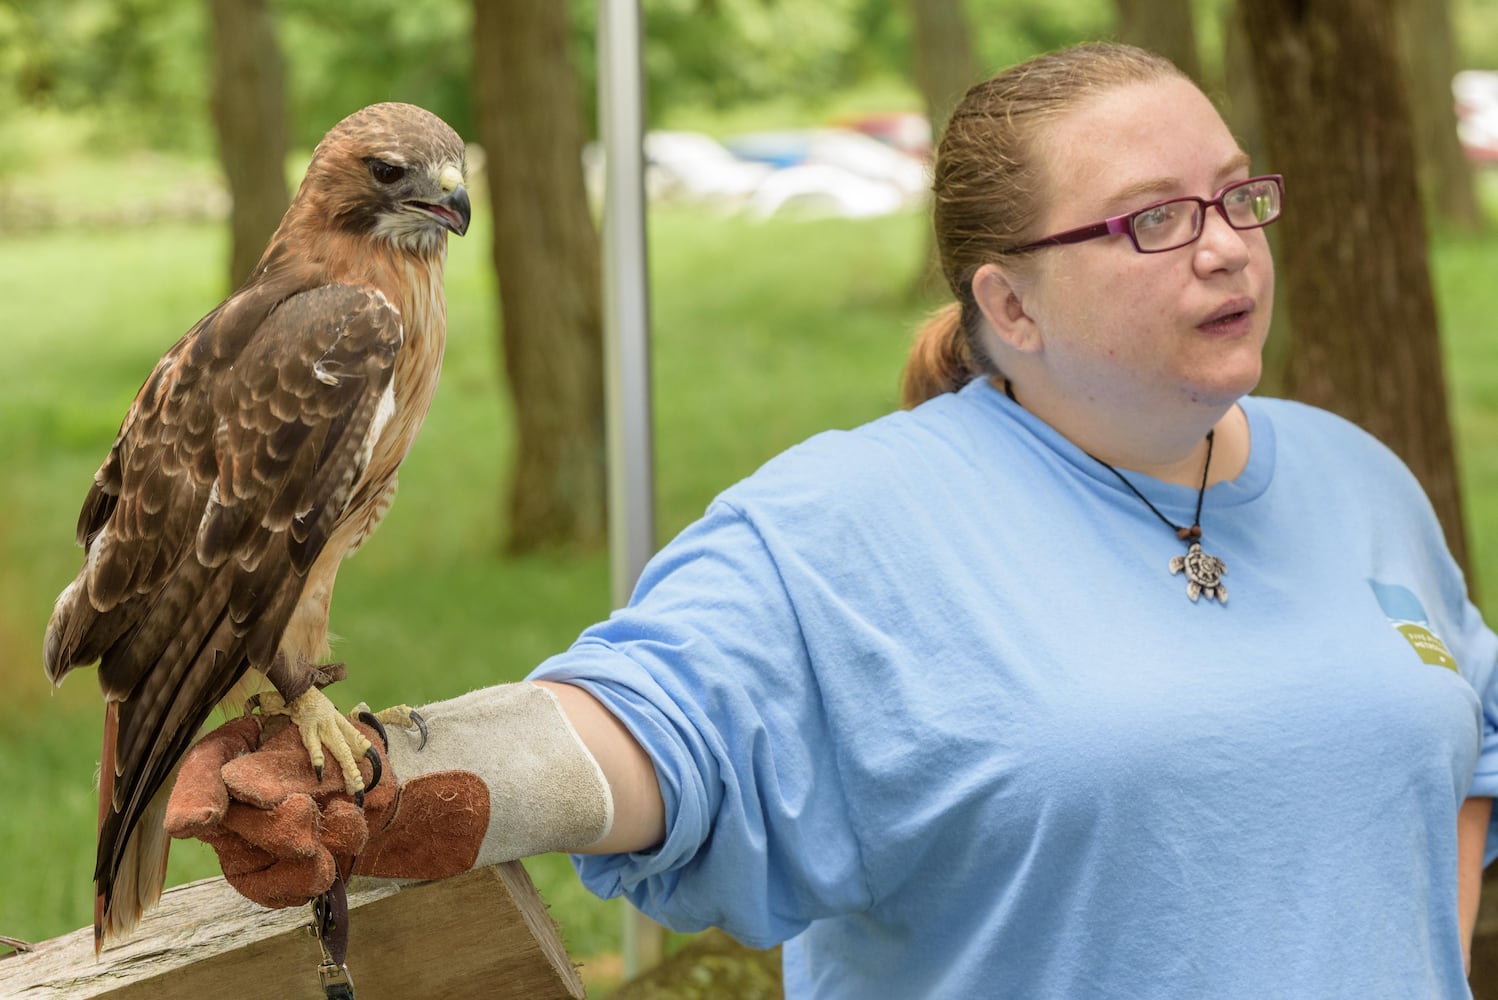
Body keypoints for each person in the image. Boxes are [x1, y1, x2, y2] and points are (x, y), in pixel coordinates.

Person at [163, 42, 1498, 997]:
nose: (1223, 244)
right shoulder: (850, 520)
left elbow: (1461, 746)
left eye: (1233, 193)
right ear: (1010, 305)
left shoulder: (1354, 480)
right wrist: (408, 777)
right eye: (1151, 219)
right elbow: (654, 725)